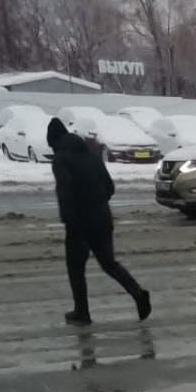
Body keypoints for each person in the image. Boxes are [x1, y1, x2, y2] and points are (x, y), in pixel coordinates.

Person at [46, 118, 151, 325]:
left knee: (75, 269)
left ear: (54, 141)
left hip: (79, 223)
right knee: (109, 263)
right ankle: (138, 293)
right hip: (102, 218)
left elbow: (64, 191)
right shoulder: (92, 156)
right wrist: (97, 204)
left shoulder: (61, 160)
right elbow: (109, 187)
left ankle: (82, 312)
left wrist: (68, 218)